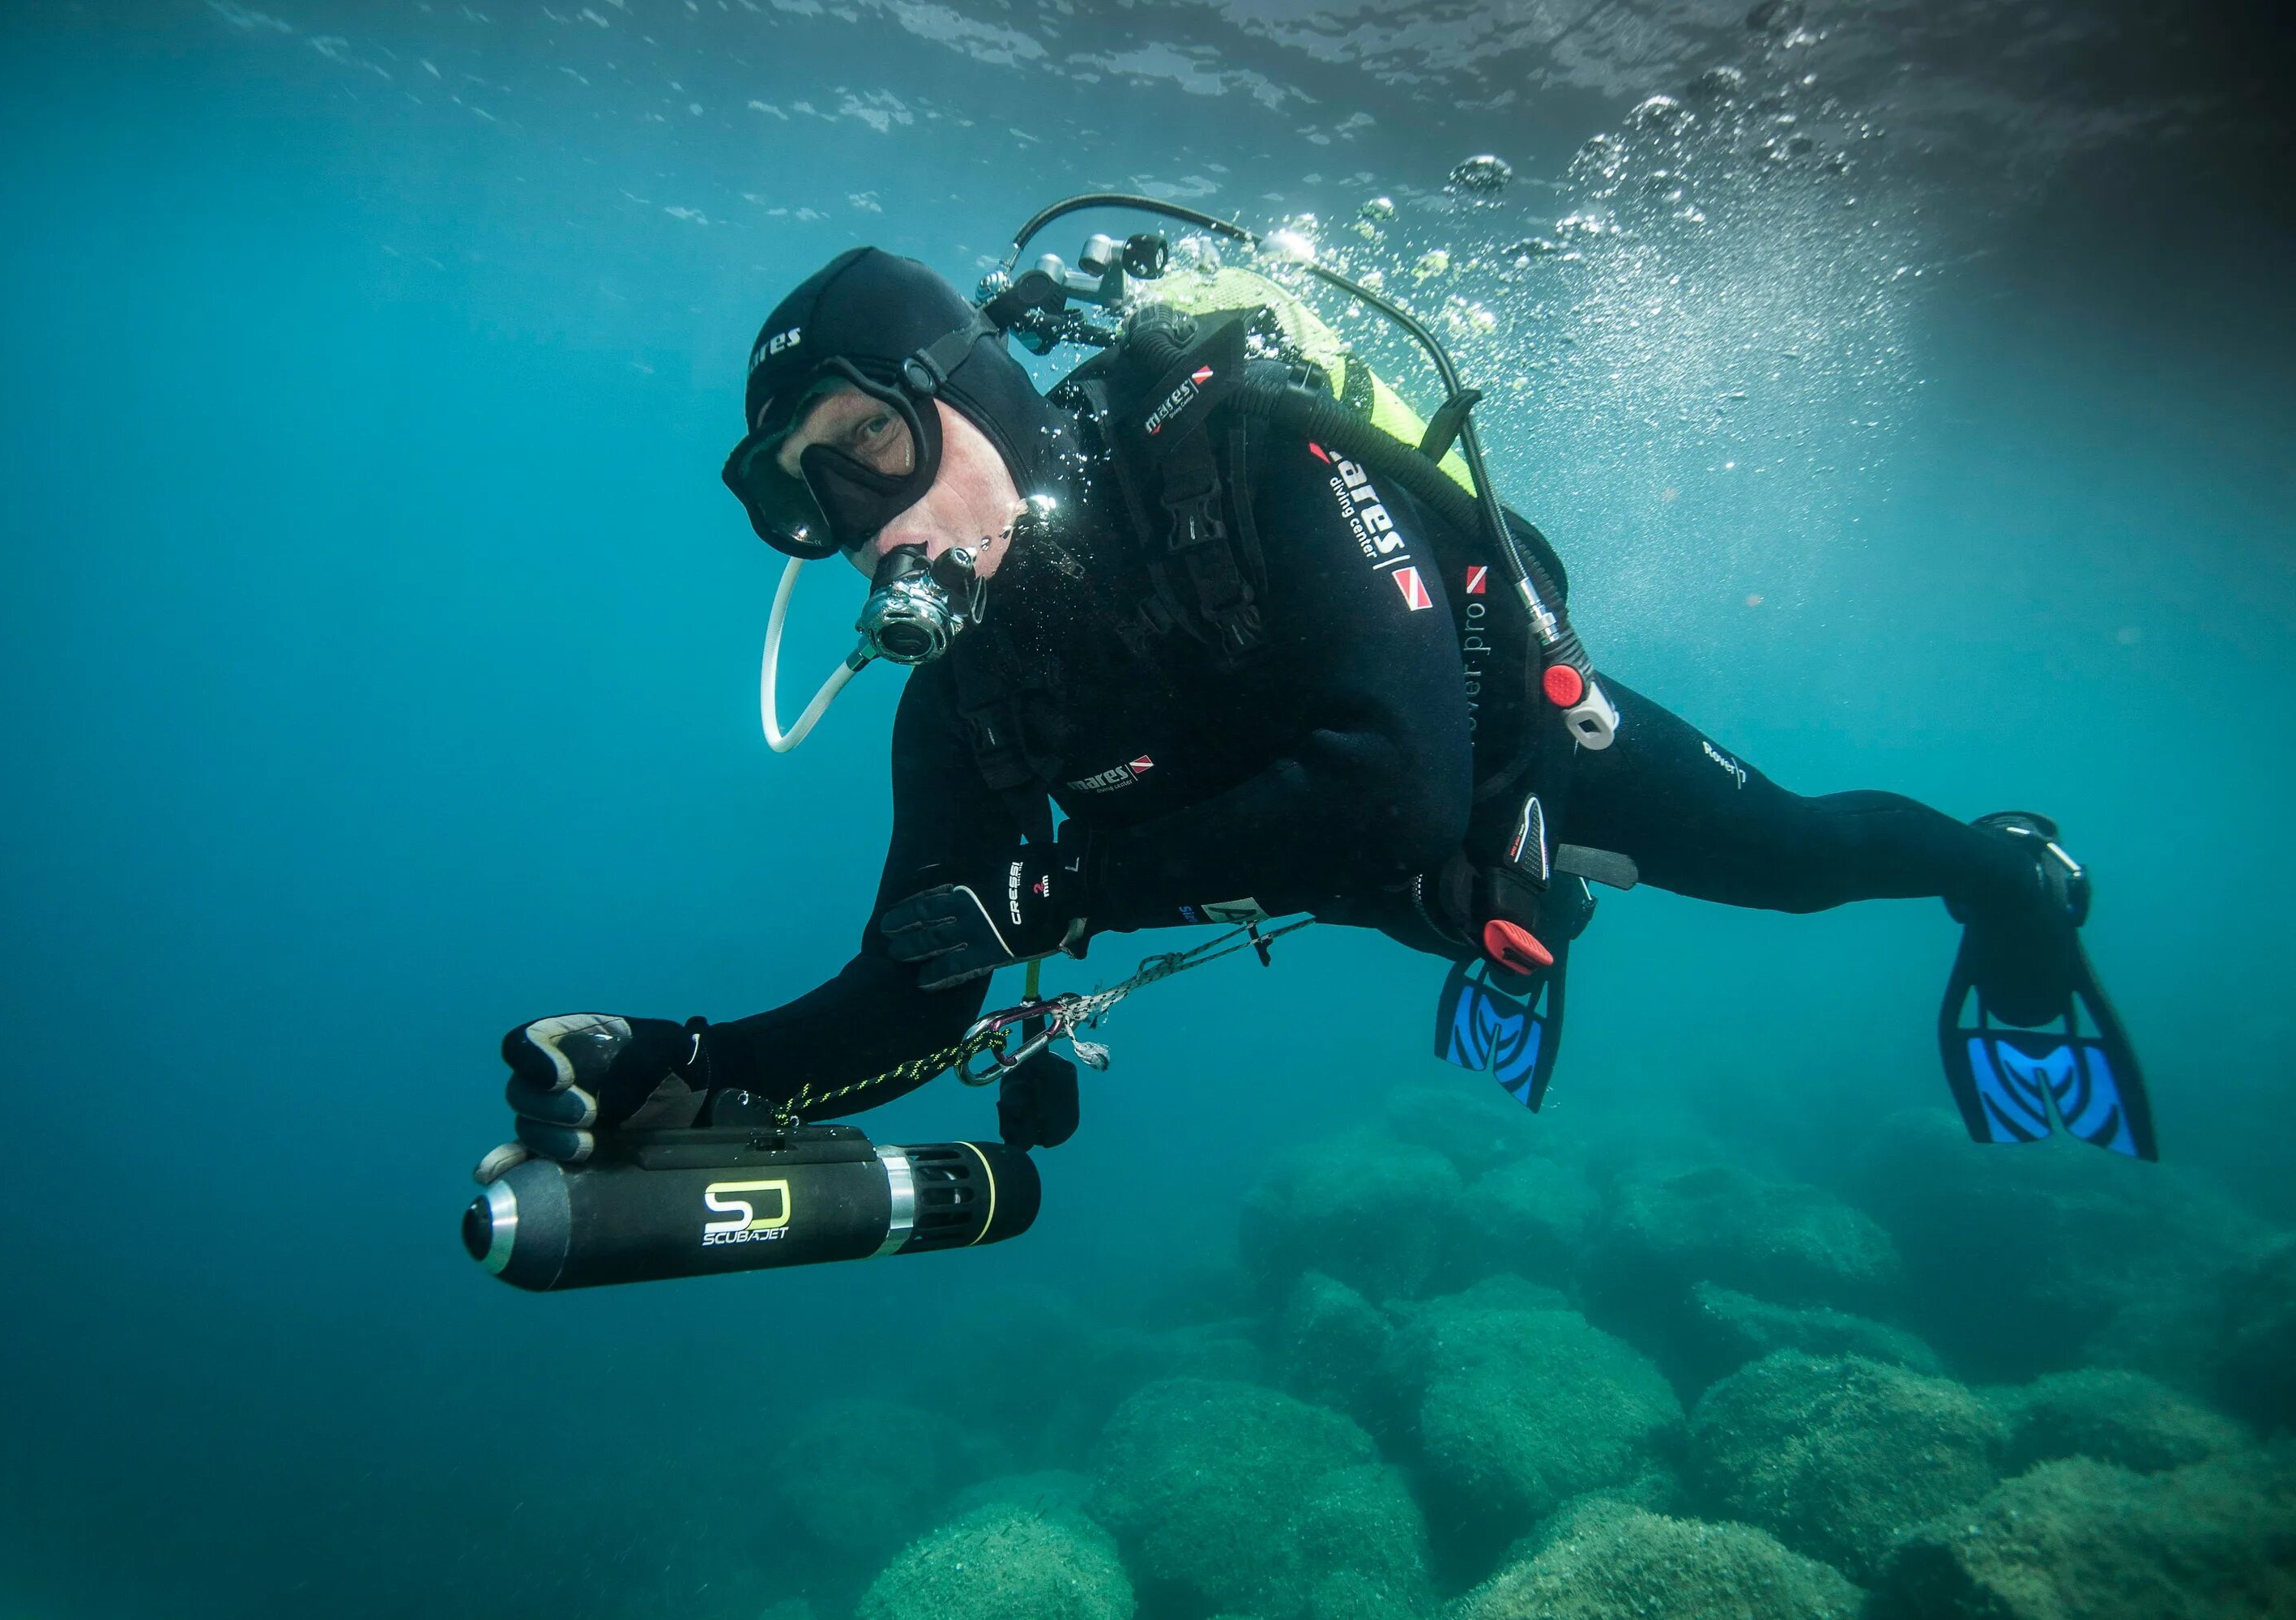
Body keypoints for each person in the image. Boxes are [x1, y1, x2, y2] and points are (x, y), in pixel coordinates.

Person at [478, 241, 2149, 1176]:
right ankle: (1503, 917)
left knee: (1791, 861)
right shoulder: (970, 690)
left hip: (1491, 741)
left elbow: (1394, 783)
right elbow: (925, 985)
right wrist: (687, 1064)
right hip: (1356, 857)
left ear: (967, 392)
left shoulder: (1240, 450)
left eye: (872, 444)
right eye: (809, 499)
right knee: (1454, 902)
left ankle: (2008, 871)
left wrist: (1068, 890)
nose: (867, 522)